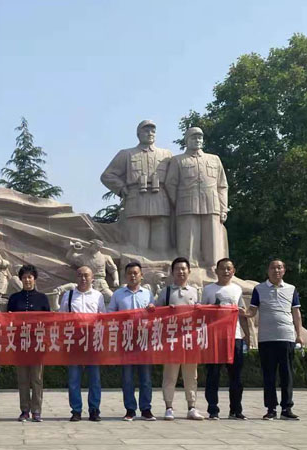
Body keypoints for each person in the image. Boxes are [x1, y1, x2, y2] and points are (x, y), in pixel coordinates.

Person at [101, 120, 173, 252]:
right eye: (146, 130)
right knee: (138, 246)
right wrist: (122, 188)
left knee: (162, 246)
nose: (150, 133)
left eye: (153, 131)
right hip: (137, 199)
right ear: (138, 134)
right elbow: (107, 175)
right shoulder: (127, 154)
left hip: (161, 200)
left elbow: (175, 179)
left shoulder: (166, 154)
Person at [246, 259, 302, 421]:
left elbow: (296, 313)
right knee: (268, 375)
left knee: (287, 374)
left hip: (286, 336)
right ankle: (270, 408)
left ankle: (287, 408)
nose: (276, 270)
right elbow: (251, 311)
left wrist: (299, 334)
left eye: (279, 268)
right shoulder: (259, 289)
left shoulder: (291, 289)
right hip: (266, 338)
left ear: (284, 270)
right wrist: (235, 310)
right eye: (273, 267)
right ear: (267, 270)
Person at [164, 127, 229, 267]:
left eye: (200, 137)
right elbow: (170, 184)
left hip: (212, 205)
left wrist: (223, 209)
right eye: (193, 137)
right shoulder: (178, 160)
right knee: (188, 242)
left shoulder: (214, 159)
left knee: (212, 243)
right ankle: (189, 270)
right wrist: (179, 203)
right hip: (186, 206)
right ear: (186, 141)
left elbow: (222, 186)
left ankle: (213, 269)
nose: (197, 140)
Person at [202, 258, 250, 420]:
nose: (226, 271)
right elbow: (201, 314)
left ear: (233, 271)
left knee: (236, 376)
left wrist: (247, 337)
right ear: (216, 271)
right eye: (222, 268)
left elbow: (243, 314)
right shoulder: (208, 290)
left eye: (229, 268)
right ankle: (213, 409)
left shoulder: (237, 290)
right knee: (213, 375)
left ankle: (236, 409)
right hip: (214, 338)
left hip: (234, 337)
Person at [107, 261, 157, 421]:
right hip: (126, 340)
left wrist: (152, 309)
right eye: (130, 273)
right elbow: (110, 314)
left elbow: (156, 315)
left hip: (144, 340)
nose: (133, 276)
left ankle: (146, 409)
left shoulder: (148, 294)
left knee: (146, 378)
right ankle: (130, 409)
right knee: (127, 378)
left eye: (136, 273)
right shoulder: (118, 294)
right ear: (125, 275)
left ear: (141, 276)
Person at [156, 257, 204, 420]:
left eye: (184, 269)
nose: (181, 272)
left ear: (189, 271)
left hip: (190, 339)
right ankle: (169, 407)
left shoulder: (195, 292)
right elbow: (156, 312)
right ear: (173, 272)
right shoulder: (166, 292)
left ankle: (192, 406)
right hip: (171, 339)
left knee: (191, 374)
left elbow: (203, 314)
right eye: (177, 269)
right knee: (170, 374)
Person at [60, 266, 106, 422]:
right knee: (74, 378)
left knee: (95, 379)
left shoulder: (98, 296)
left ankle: (94, 410)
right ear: (76, 278)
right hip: (74, 343)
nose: (83, 278)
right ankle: (76, 410)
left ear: (92, 278)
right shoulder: (69, 295)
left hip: (93, 342)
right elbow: (62, 319)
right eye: (80, 275)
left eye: (86, 275)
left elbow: (103, 318)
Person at [7, 264, 50, 422]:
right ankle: (24, 410)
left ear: (34, 279)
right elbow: (8, 320)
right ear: (20, 279)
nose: (27, 280)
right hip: (20, 344)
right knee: (23, 379)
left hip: (37, 344)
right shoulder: (14, 299)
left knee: (37, 379)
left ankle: (37, 410)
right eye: (24, 277)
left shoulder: (42, 299)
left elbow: (48, 322)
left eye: (30, 277)